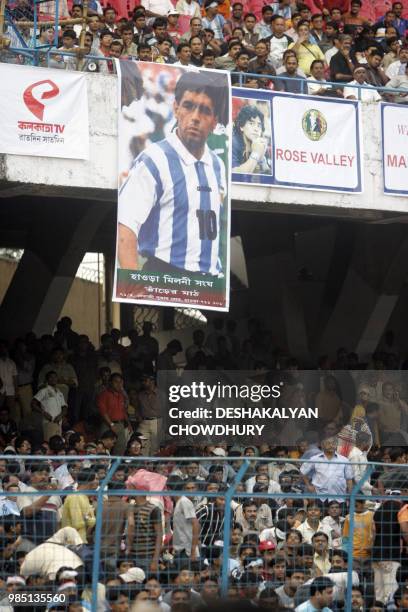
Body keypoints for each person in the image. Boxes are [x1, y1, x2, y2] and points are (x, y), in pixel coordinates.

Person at [117, 70, 228, 278]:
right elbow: (126, 227)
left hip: (209, 282)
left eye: (204, 110)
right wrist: (133, 287)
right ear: (176, 108)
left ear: (214, 121)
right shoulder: (154, 159)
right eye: (188, 106)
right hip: (164, 275)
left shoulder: (218, 165)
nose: (195, 118)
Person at [232, 104, 269, 174]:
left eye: (259, 125)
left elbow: (265, 174)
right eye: (251, 123)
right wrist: (255, 154)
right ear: (241, 127)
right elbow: (235, 175)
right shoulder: (233, 143)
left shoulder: (260, 143)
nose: (256, 129)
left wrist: (261, 159)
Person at [32, 371, 67, 441]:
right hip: (49, 422)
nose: (53, 379)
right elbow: (33, 403)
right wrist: (44, 413)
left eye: (55, 377)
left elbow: (64, 407)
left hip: (59, 423)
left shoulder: (59, 393)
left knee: (58, 445)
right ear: (47, 379)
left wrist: (61, 415)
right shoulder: (44, 391)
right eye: (51, 377)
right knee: (50, 444)